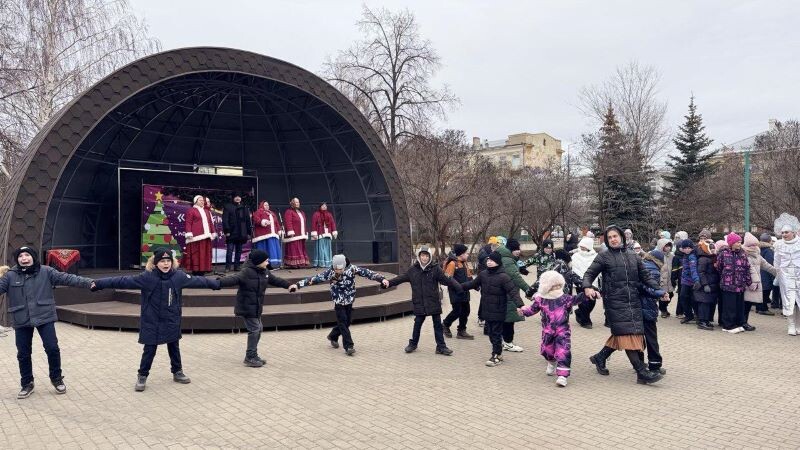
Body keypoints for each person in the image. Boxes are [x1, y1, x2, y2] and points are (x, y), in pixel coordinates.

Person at [91, 248, 221, 392]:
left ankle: (177, 371)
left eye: (168, 261)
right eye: (162, 261)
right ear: (155, 263)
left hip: (171, 318)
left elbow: (199, 281)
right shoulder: (147, 278)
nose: (166, 264)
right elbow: (122, 281)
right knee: (149, 349)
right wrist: (99, 283)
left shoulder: (178, 276)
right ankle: (142, 375)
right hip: (152, 320)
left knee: (174, 346)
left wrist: (217, 284)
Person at [0, 247, 94, 399]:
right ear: (17, 260)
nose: (24, 258)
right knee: (23, 353)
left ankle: (56, 378)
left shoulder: (46, 271)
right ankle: (27, 383)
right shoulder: (10, 276)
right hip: (21, 318)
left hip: (44, 315)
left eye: (27, 255)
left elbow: (67, 278)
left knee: (52, 348)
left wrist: (89, 282)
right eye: (21, 256)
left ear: (33, 257)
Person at [582, 225, 663, 385]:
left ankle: (600, 357)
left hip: (633, 300)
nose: (613, 239)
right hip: (615, 302)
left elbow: (646, 276)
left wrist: (659, 290)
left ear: (621, 237)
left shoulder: (633, 255)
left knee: (626, 333)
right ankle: (641, 372)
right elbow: (589, 274)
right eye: (609, 237)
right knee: (627, 336)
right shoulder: (603, 256)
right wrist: (587, 287)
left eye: (615, 236)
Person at [217, 250, 297, 367]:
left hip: (256, 307)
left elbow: (275, 280)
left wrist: (288, 285)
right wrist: (218, 283)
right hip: (246, 307)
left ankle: (253, 355)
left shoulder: (264, 272)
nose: (268, 262)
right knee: (255, 329)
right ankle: (250, 357)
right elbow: (233, 279)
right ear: (259, 262)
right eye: (266, 260)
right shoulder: (246, 272)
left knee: (259, 328)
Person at [299, 254, 388, 356]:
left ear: (344, 265)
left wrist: (382, 279)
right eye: (336, 269)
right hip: (338, 301)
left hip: (349, 300)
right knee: (343, 322)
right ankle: (349, 346)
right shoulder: (330, 272)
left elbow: (368, 273)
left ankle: (333, 336)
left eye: (340, 269)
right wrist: (297, 285)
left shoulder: (352, 269)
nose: (338, 271)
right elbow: (314, 279)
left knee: (347, 322)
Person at [517, 271, 588, 387]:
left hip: (562, 330)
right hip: (548, 331)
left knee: (563, 351)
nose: (558, 288)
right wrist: (523, 311)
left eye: (559, 285)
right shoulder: (540, 299)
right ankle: (551, 361)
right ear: (547, 287)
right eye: (554, 286)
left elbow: (576, 299)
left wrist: (587, 294)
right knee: (547, 350)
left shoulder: (564, 298)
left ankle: (562, 376)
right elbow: (532, 310)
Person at [387, 247, 461, 356]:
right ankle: (413, 344)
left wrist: (458, 287)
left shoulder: (436, 269)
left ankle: (441, 347)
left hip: (433, 301)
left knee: (437, 325)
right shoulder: (413, 270)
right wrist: (388, 283)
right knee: (417, 324)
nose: (424, 258)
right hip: (419, 303)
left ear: (430, 257)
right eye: (422, 255)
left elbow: (447, 279)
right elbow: (400, 278)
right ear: (419, 256)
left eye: (426, 255)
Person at [460, 251, 523, 367]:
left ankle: (496, 355)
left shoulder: (504, 277)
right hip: (487, 309)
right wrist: (458, 286)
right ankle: (498, 353)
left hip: (499, 310)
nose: (489, 262)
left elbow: (513, 292)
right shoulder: (483, 274)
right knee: (491, 333)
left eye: (492, 260)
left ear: (498, 262)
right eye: (488, 260)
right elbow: (472, 284)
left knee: (496, 333)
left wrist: (520, 305)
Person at [496, 238, 535, 353]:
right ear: (509, 249)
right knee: (509, 319)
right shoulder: (508, 260)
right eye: (515, 249)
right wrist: (529, 290)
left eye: (518, 249)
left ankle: (502, 341)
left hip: (503, 292)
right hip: (508, 293)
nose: (518, 251)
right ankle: (508, 343)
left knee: (505, 318)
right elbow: (516, 277)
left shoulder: (505, 257)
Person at [716, 233, 752, 334]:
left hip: (740, 284)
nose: (739, 244)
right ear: (731, 243)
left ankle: (738, 323)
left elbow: (747, 268)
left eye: (740, 242)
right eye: (737, 242)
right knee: (729, 306)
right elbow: (719, 267)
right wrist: (725, 277)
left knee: (739, 306)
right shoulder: (723, 253)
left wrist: (748, 281)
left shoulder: (743, 254)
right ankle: (728, 325)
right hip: (728, 285)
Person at [639, 250, 667, 374]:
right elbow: (649, 288)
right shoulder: (654, 270)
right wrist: (661, 293)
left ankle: (639, 363)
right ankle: (654, 364)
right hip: (647, 306)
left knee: (638, 337)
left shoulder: (643, 264)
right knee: (651, 337)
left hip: (638, 305)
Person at [742, 232, 776, 330]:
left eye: (755, 244)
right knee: (745, 304)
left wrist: (778, 272)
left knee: (748, 303)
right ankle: (743, 322)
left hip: (754, 283)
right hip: (747, 283)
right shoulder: (744, 255)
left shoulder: (757, 254)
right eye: (751, 245)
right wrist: (754, 281)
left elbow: (766, 265)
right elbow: (749, 269)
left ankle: (744, 322)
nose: (753, 247)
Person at [774, 213, 800, 335]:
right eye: (783, 232)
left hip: (799, 275)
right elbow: (777, 261)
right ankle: (791, 325)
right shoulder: (779, 245)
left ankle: (798, 325)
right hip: (785, 277)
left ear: (793, 232)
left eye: (787, 232)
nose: (784, 234)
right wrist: (779, 273)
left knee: (798, 301)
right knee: (789, 301)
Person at [442, 244, 474, 340]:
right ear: (461, 254)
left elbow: (469, 276)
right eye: (466, 253)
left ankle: (461, 331)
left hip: (465, 291)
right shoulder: (452, 264)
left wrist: (475, 285)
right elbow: (447, 278)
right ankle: (445, 324)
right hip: (455, 292)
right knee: (457, 311)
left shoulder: (464, 263)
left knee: (466, 311)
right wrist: (457, 287)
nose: (467, 254)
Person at [183, 195, 217, 275]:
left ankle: (203, 269)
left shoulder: (207, 211)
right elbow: (188, 222)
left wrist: (213, 232)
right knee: (196, 254)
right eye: (200, 200)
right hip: (196, 237)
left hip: (207, 236)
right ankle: (196, 270)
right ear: (195, 201)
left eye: (203, 200)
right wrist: (189, 232)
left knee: (205, 254)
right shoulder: (191, 210)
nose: (202, 201)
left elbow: (210, 223)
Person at [570, 237, 599, 329]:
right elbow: (573, 269)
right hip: (580, 282)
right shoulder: (575, 256)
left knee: (592, 301)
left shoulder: (595, 256)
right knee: (583, 302)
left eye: (584, 246)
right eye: (581, 246)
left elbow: (597, 269)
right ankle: (585, 321)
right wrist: (579, 280)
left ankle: (579, 312)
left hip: (592, 282)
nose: (582, 248)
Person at [222, 194, 253, 272]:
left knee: (239, 251)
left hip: (241, 233)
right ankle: (228, 267)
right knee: (229, 251)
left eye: (239, 197)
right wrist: (227, 230)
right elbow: (225, 220)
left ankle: (237, 266)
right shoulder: (228, 207)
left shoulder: (244, 207)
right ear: (233, 198)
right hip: (231, 232)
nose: (238, 198)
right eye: (236, 197)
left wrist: (248, 232)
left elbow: (248, 221)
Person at [695, 239, 720, 330]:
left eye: (714, 248)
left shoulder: (712, 258)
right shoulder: (703, 259)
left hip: (712, 284)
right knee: (704, 303)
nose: (713, 250)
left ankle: (706, 320)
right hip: (705, 285)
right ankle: (702, 321)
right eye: (711, 248)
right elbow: (701, 272)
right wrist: (705, 284)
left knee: (708, 303)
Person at [252, 201, 283, 269]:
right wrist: (263, 222)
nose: (267, 206)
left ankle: (273, 264)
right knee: (265, 249)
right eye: (265, 205)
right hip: (263, 235)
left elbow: (276, 223)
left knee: (272, 250)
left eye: (268, 205)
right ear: (262, 206)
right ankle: (264, 265)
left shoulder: (272, 213)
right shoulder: (258, 212)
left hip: (273, 235)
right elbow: (256, 219)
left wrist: (279, 230)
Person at [677, 239, 700, 324]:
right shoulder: (685, 255)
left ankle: (696, 315)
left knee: (693, 299)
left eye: (689, 248)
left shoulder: (691, 257)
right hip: (685, 281)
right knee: (683, 298)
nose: (687, 250)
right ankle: (689, 315)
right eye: (685, 248)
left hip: (691, 281)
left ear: (692, 248)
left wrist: (696, 280)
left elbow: (693, 269)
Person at [282, 198, 310, 268]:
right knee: (294, 248)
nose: (298, 204)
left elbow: (303, 223)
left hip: (301, 234)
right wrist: (290, 231)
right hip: (294, 234)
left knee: (301, 248)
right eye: (296, 202)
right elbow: (288, 222)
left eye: (298, 202)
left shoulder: (301, 212)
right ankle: (294, 264)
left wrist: (305, 232)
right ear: (292, 203)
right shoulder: (289, 212)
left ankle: (301, 263)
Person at [310, 202, 338, 268]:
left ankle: (327, 263)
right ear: (320, 207)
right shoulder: (316, 214)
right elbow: (313, 224)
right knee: (320, 249)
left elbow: (332, 223)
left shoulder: (329, 214)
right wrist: (314, 233)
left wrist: (334, 232)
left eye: (325, 206)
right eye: (323, 206)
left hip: (327, 234)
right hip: (320, 234)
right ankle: (320, 263)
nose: (324, 207)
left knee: (327, 249)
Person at [654, 239, 675, 318]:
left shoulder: (672, 256)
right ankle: (663, 310)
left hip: (670, 279)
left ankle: (664, 308)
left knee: (671, 294)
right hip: (662, 279)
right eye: (666, 246)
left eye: (669, 246)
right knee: (663, 296)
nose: (668, 248)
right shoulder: (657, 256)